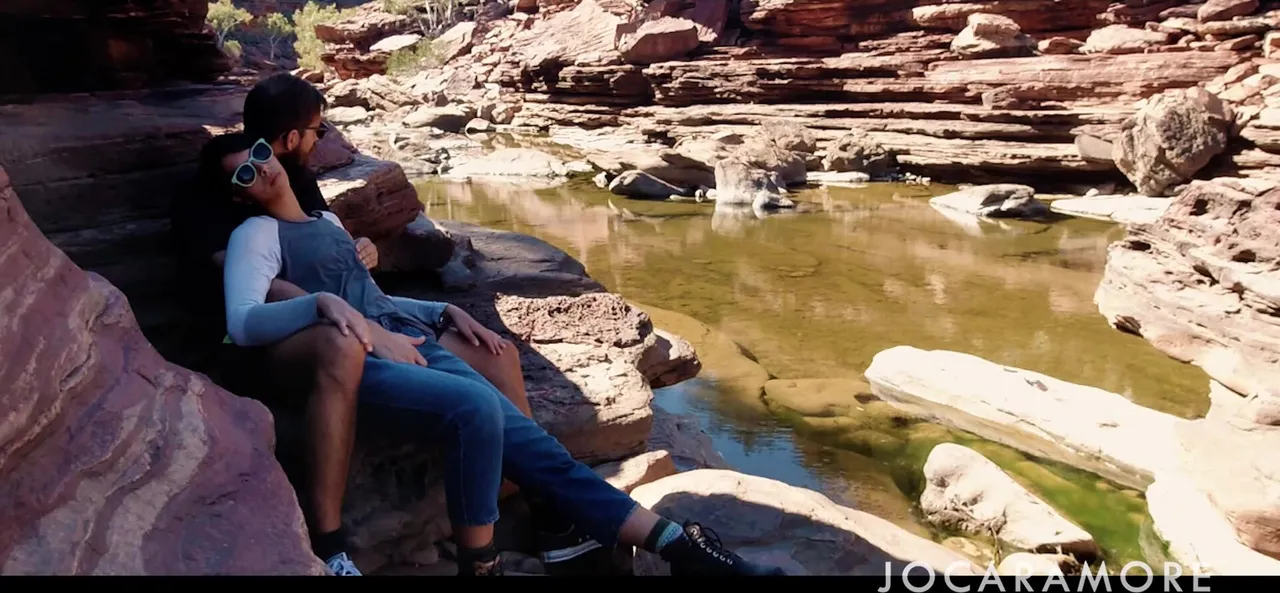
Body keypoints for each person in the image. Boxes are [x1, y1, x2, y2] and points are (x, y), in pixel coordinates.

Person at [205, 131, 788, 577]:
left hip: (412, 339)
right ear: (236, 196)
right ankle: (480, 564)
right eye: (245, 175)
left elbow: (374, 297)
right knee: (476, 409)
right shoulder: (255, 236)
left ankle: (677, 544)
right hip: (364, 361)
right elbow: (244, 322)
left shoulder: (328, 220)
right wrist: (325, 306)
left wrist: (438, 311)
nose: (262, 171)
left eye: (261, 154)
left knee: (531, 442)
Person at [173, 73, 591, 576]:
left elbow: (336, 255)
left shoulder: (294, 181)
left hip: (346, 315)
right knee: (440, 388)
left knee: (493, 353)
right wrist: (353, 316)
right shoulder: (214, 196)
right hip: (267, 334)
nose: (319, 140)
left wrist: (363, 260)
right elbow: (258, 286)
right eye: (317, 131)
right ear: (292, 138)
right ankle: (344, 543)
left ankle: (540, 505)